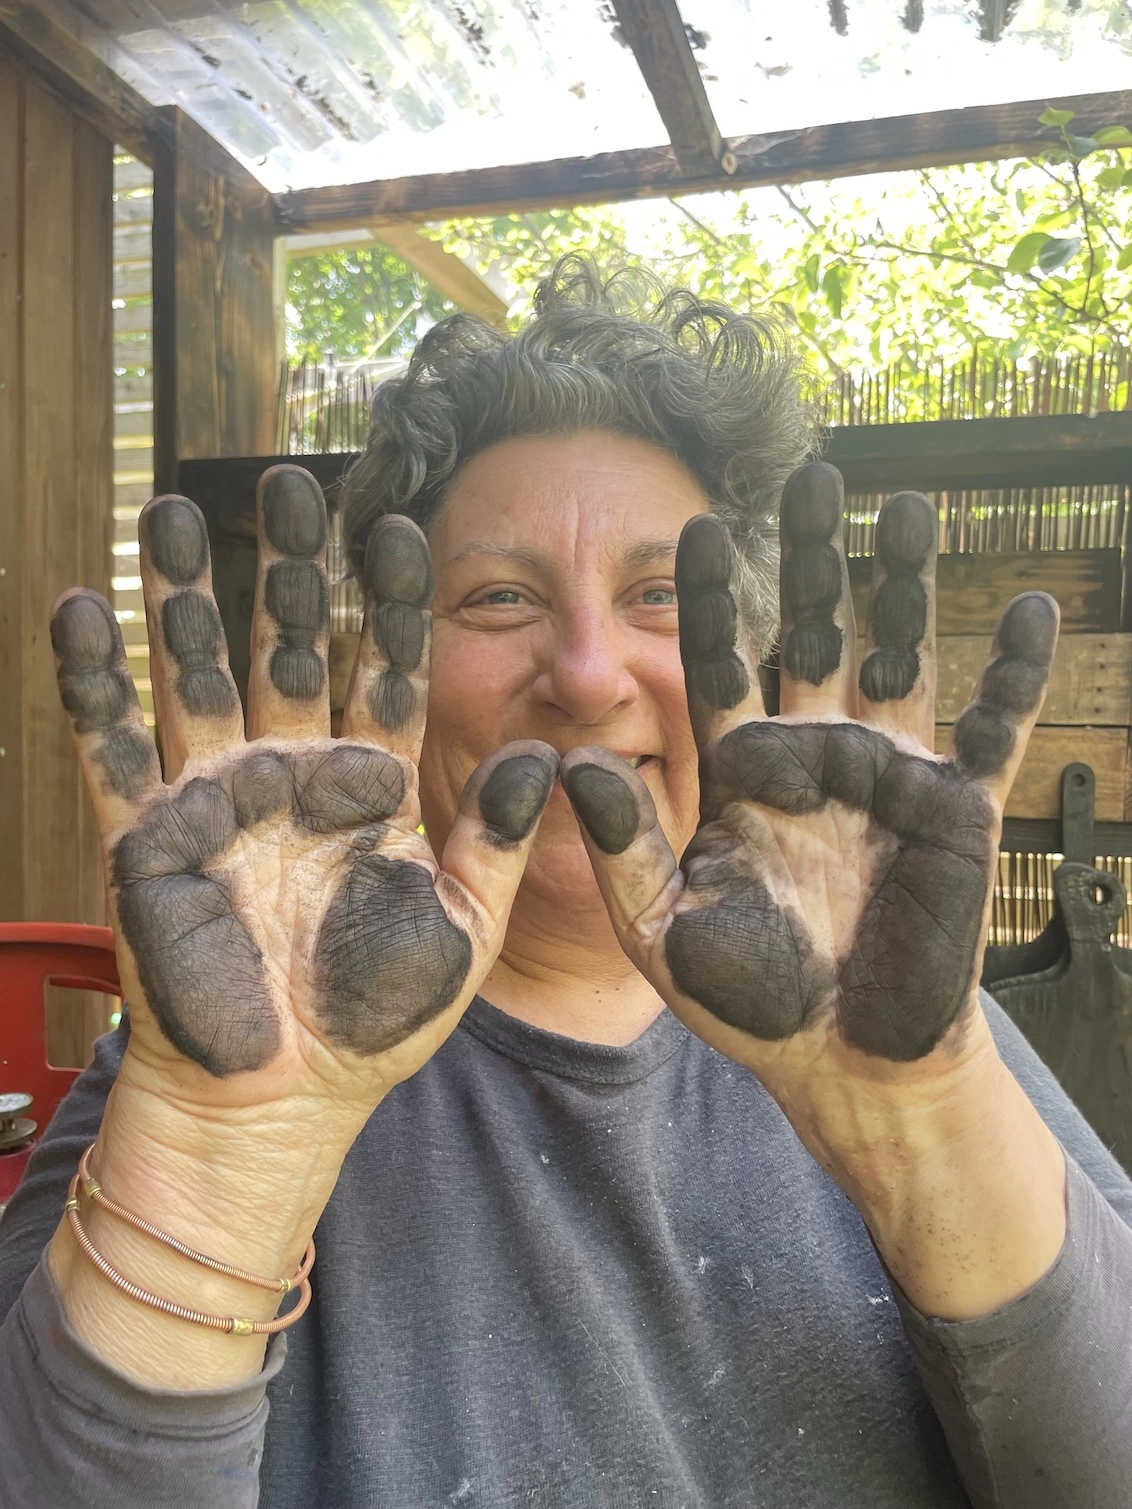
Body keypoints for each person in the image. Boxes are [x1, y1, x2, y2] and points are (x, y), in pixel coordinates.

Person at [0, 258, 1129, 1509]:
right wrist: (222, 1172)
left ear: (742, 654)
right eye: (498, 597)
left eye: (657, 595)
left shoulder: (922, 1036)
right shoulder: (204, 1073)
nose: (588, 676)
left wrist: (916, 1122)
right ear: (390, 659)